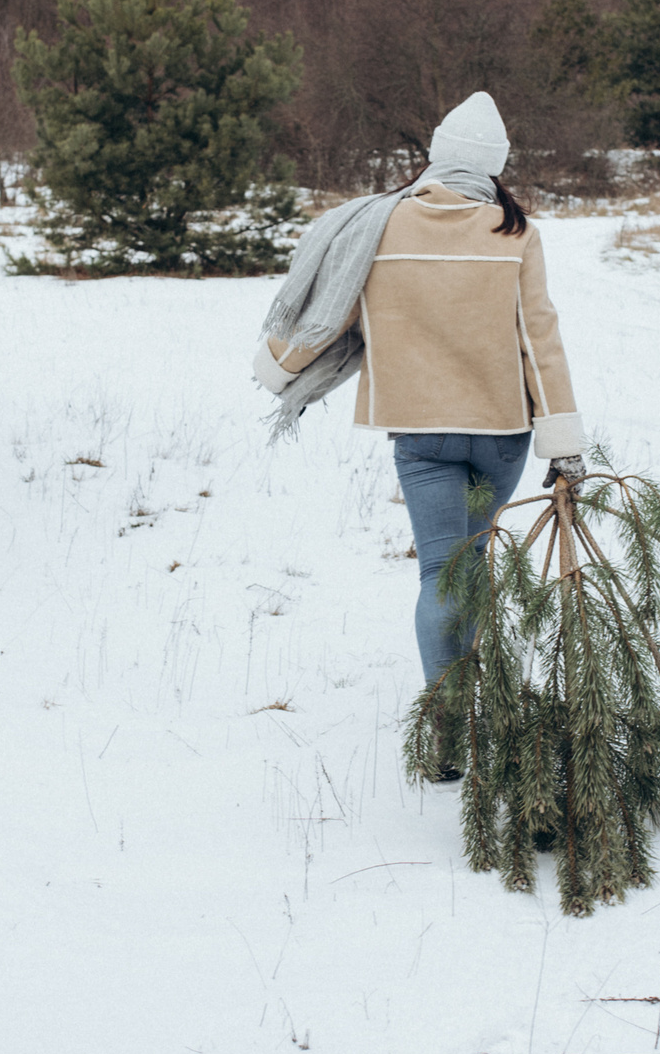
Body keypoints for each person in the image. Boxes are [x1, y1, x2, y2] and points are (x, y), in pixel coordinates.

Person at [251, 92, 586, 714]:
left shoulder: (378, 226)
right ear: (494, 166)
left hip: (423, 436)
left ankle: (448, 721)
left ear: (436, 157)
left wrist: (279, 368)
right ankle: (477, 707)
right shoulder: (516, 232)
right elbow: (540, 338)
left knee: (439, 574)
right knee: (476, 562)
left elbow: (328, 317)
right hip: (500, 434)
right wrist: (564, 444)